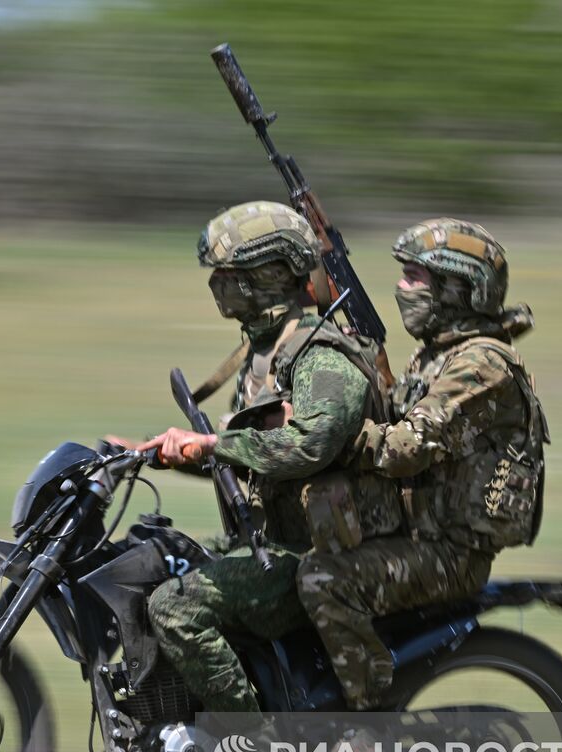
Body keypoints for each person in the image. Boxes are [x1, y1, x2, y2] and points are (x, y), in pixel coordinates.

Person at [137, 200, 404, 713]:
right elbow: (252, 453)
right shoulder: (265, 352)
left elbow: (309, 443)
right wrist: (159, 453)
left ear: (271, 273)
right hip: (274, 539)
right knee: (149, 562)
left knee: (175, 607)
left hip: (317, 554)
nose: (217, 284)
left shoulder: (319, 354)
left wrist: (215, 445)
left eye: (229, 273)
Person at [308, 217, 547, 708]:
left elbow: (402, 449)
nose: (401, 287)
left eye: (415, 277)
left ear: (459, 289)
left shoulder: (482, 365)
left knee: (323, 581)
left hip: (448, 555)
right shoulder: (435, 357)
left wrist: (329, 434)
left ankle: (366, 726)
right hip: (412, 535)